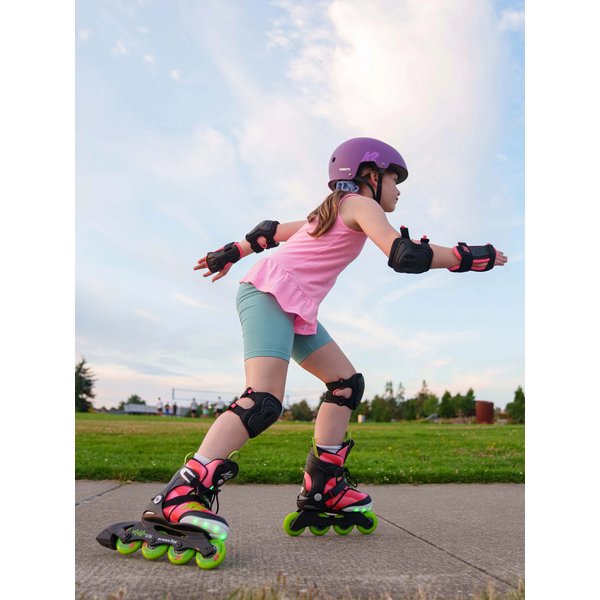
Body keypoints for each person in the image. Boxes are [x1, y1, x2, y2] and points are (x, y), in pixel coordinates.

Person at [102, 137, 507, 566]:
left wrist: (232, 251)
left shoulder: (330, 211)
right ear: (370, 175)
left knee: (346, 384)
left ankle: (324, 486)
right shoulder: (360, 205)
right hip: (269, 294)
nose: (399, 190)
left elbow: (269, 232)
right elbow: (403, 254)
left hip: (289, 302)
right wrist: (467, 257)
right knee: (262, 400)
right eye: (395, 179)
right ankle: (181, 493)